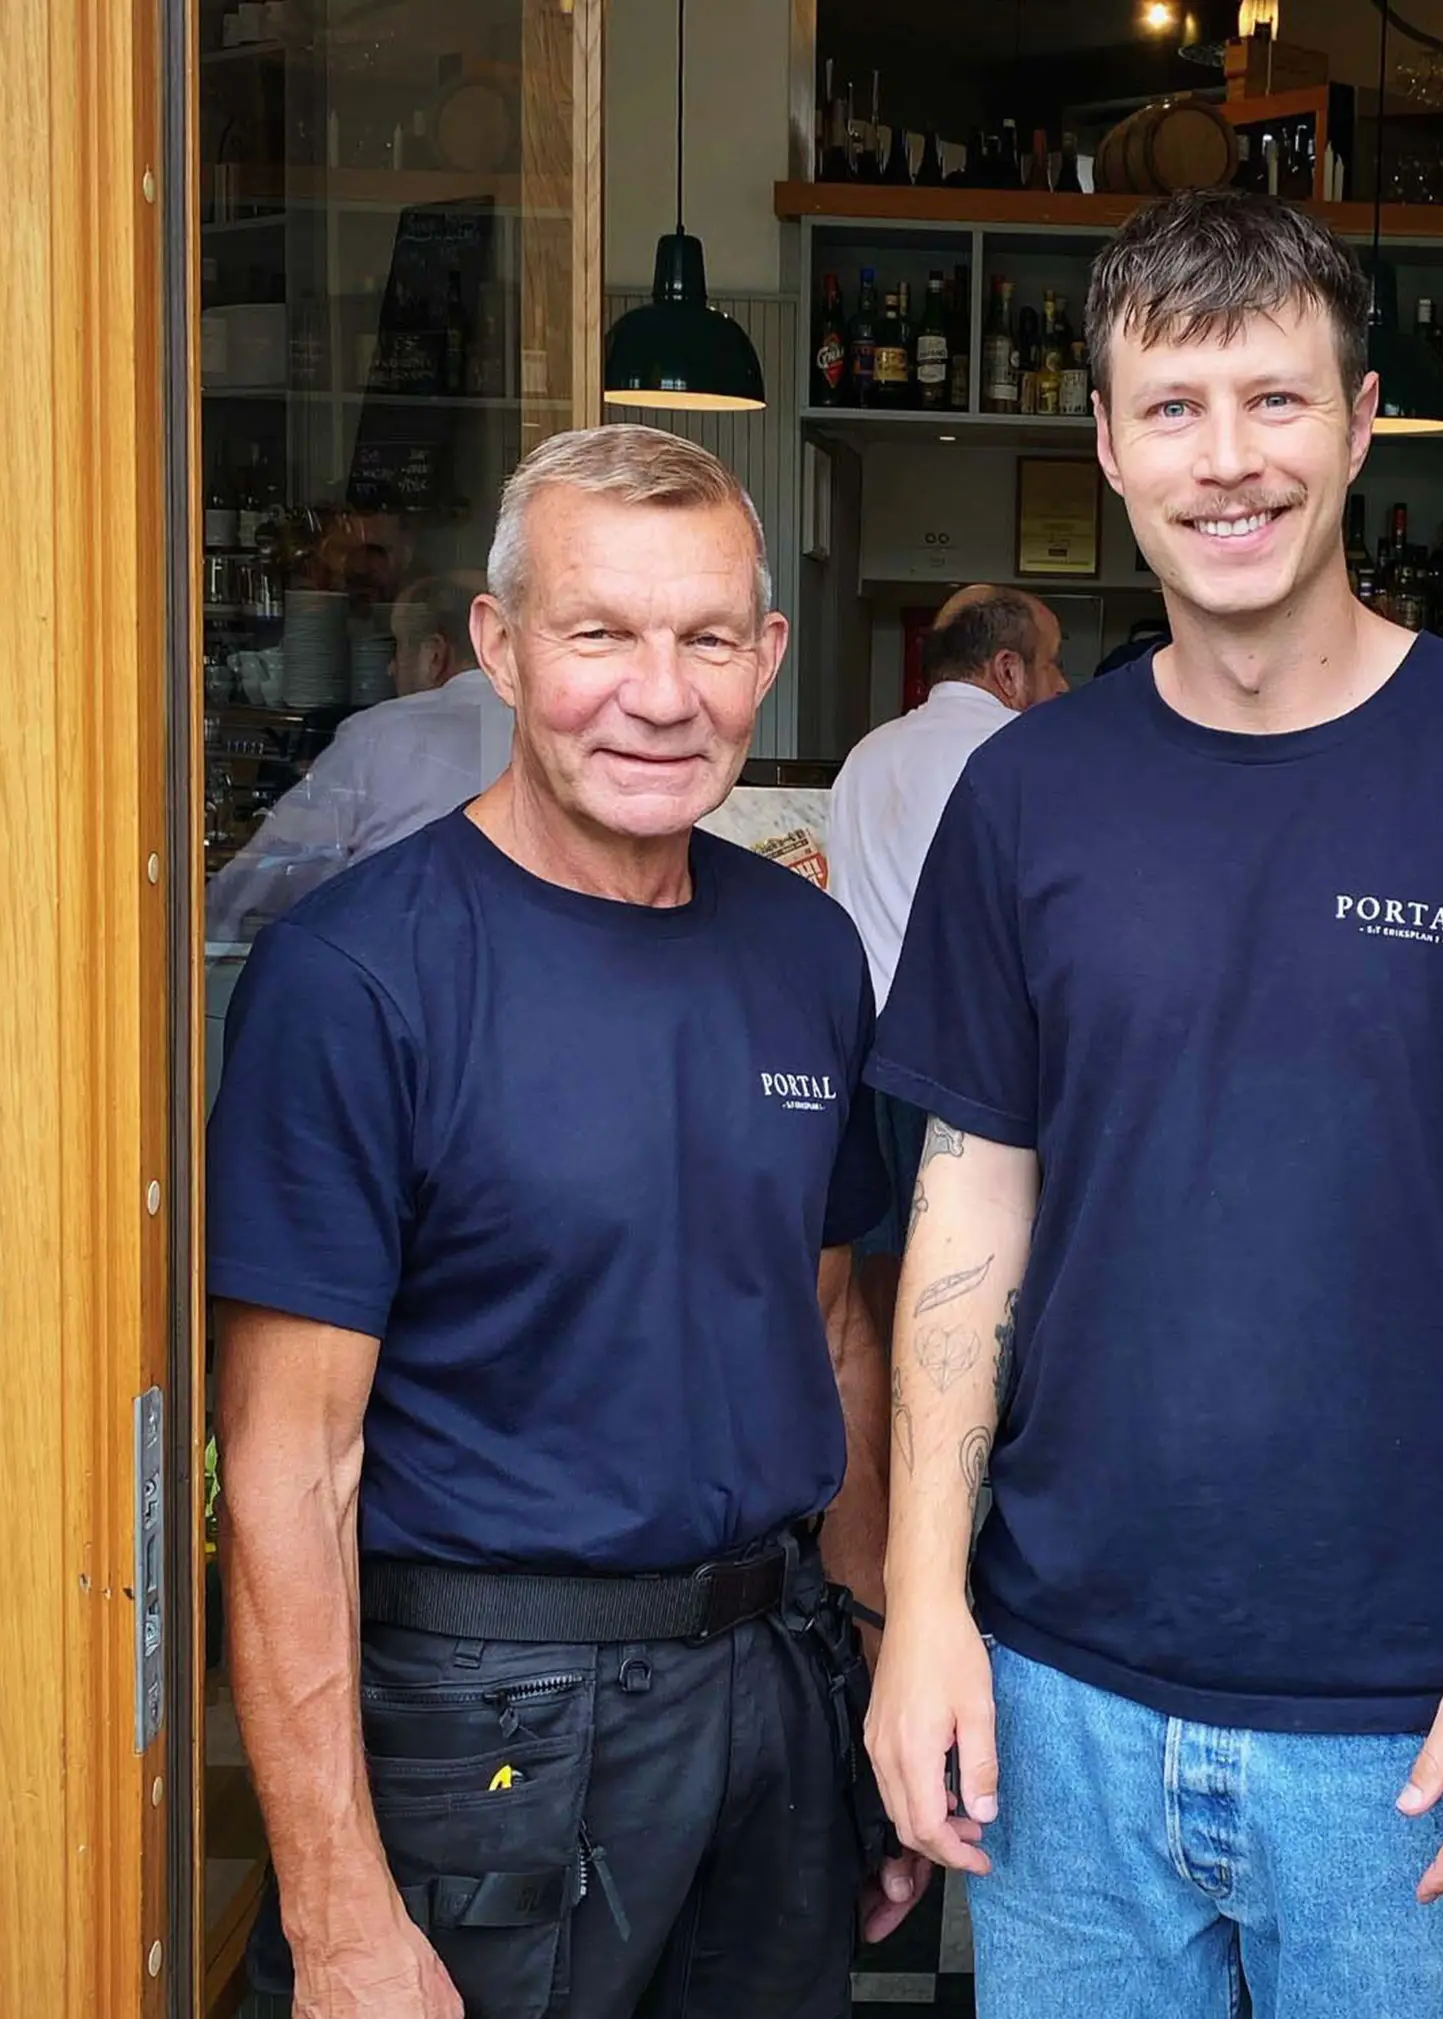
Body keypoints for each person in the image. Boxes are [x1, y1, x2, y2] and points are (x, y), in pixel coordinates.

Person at [861, 187, 1443, 2017]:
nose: (1227, 459)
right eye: (1174, 409)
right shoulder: (1026, 797)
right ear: (1107, 445)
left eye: (1275, 399)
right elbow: (969, 1203)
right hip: (1062, 1703)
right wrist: (926, 1602)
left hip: (1416, 1718)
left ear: (1360, 423)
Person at [209, 425, 927, 2019]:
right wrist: (333, 1906)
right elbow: (289, 1468)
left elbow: (833, 1334)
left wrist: (870, 1678)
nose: (660, 695)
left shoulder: (807, 953)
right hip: (486, 1720)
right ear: (500, 645)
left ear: (768, 657)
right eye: (600, 632)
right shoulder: (358, 976)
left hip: (773, 1690)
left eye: (708, 640)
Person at [827, 586, 1068, 1334]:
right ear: (1009, 671)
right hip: (975, 1072)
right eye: (1054, 665)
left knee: (881, 1272)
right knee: (977, 1278)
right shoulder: (1024, 760)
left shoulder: (865, 756)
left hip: (863, 1060)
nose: (1065, 686)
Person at [205, 572, 510, 943]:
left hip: (395, 961)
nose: (390, 667)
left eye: (398, 648)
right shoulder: (538, 733)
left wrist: (207, 925)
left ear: (434, 655)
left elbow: (266, 877)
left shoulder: (379, 734)